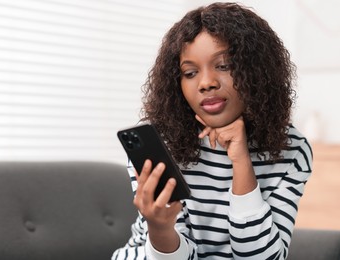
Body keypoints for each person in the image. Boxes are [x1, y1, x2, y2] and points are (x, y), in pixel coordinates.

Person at [112, 2, 312, 259]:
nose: (206, 83)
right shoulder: (161, 143)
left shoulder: (292, 149)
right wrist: (160, 227)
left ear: (257, 71)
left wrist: (241, 162)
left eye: (224, 65)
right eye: (190, 72)